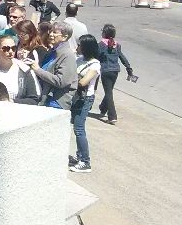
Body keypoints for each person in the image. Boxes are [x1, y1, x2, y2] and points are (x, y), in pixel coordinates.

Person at [26, 21, 78, 109]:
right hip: (45, 98)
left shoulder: (67, 55)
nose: (50, 34)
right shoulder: (52, 52)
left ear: (64, 37)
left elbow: (62, 81)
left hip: (57, 101)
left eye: (55, 32)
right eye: (50, 31)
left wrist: (38, 70)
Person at [69, 34, 101, 174]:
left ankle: (85, 162)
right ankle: (79, 155)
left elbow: (83, 82)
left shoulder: (95, 64)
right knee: (76, 128)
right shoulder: (79, 59)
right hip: (75, 97)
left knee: (79, 129)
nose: (77, 47)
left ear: (86, 47)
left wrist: (70, 77)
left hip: (85, 99)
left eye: (80, 45)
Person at [0, 30, 40, 104]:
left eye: (13, 48)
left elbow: (34, 99)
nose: (11, 52)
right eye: (6, 49)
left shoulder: (24, 70)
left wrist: (12, 102)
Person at [97, 24, 134, 125]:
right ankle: (103, 108)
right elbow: (122, 57)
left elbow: (96, 56)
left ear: (104, 33)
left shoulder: (101, 44)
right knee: (109, 90)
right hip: (115, 71)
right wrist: (129, 69)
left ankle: (112, 116)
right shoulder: (117, 45)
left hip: (106, 71)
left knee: (108, 92)